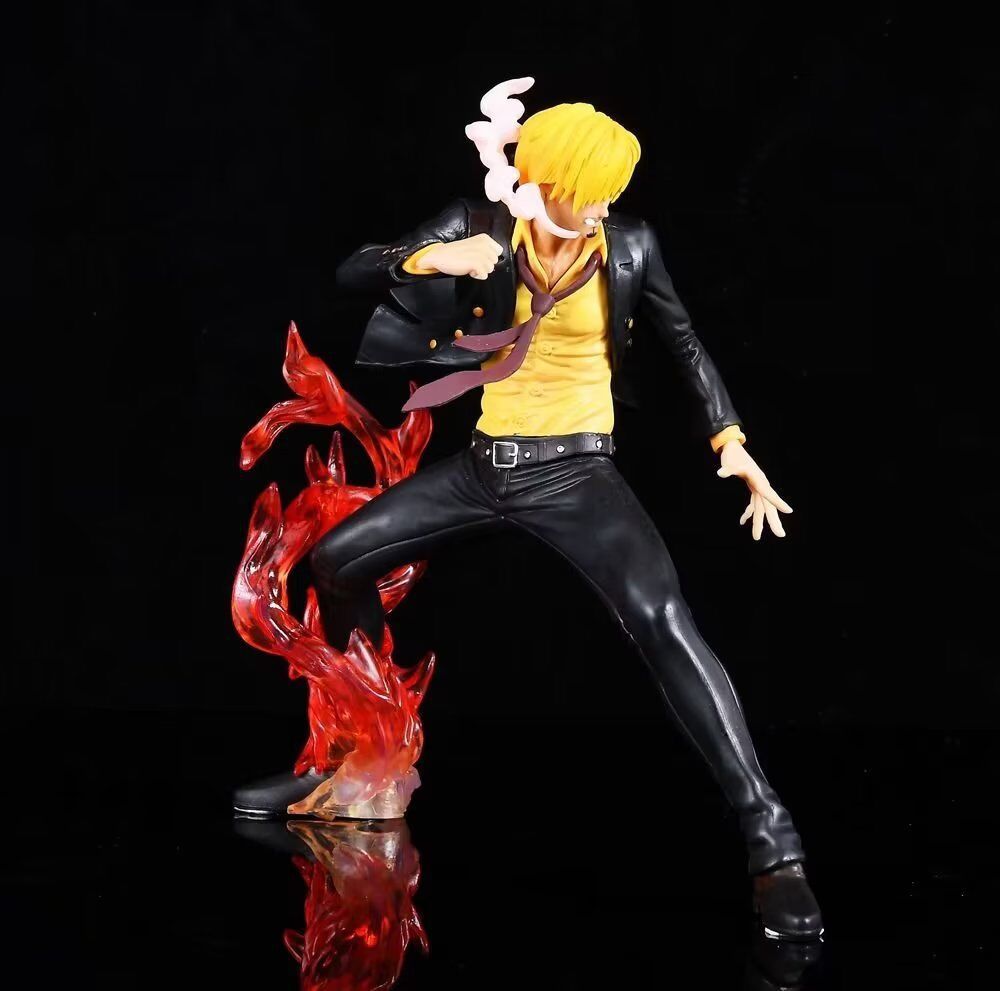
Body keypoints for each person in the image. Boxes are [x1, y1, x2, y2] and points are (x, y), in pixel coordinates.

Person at [234, 100, 823, 941]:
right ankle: (363, 769)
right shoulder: (481, 225)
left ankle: (776, 846)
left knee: (663, 619)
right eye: (592, 191)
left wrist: (730, 441)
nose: (605, 206)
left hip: (577, 473)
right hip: (483, 469)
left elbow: (684, 340)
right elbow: (355, 270)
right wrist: (435, 257)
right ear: (546, 182)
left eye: (612, 192)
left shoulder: (628, 245)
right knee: (337, 560)